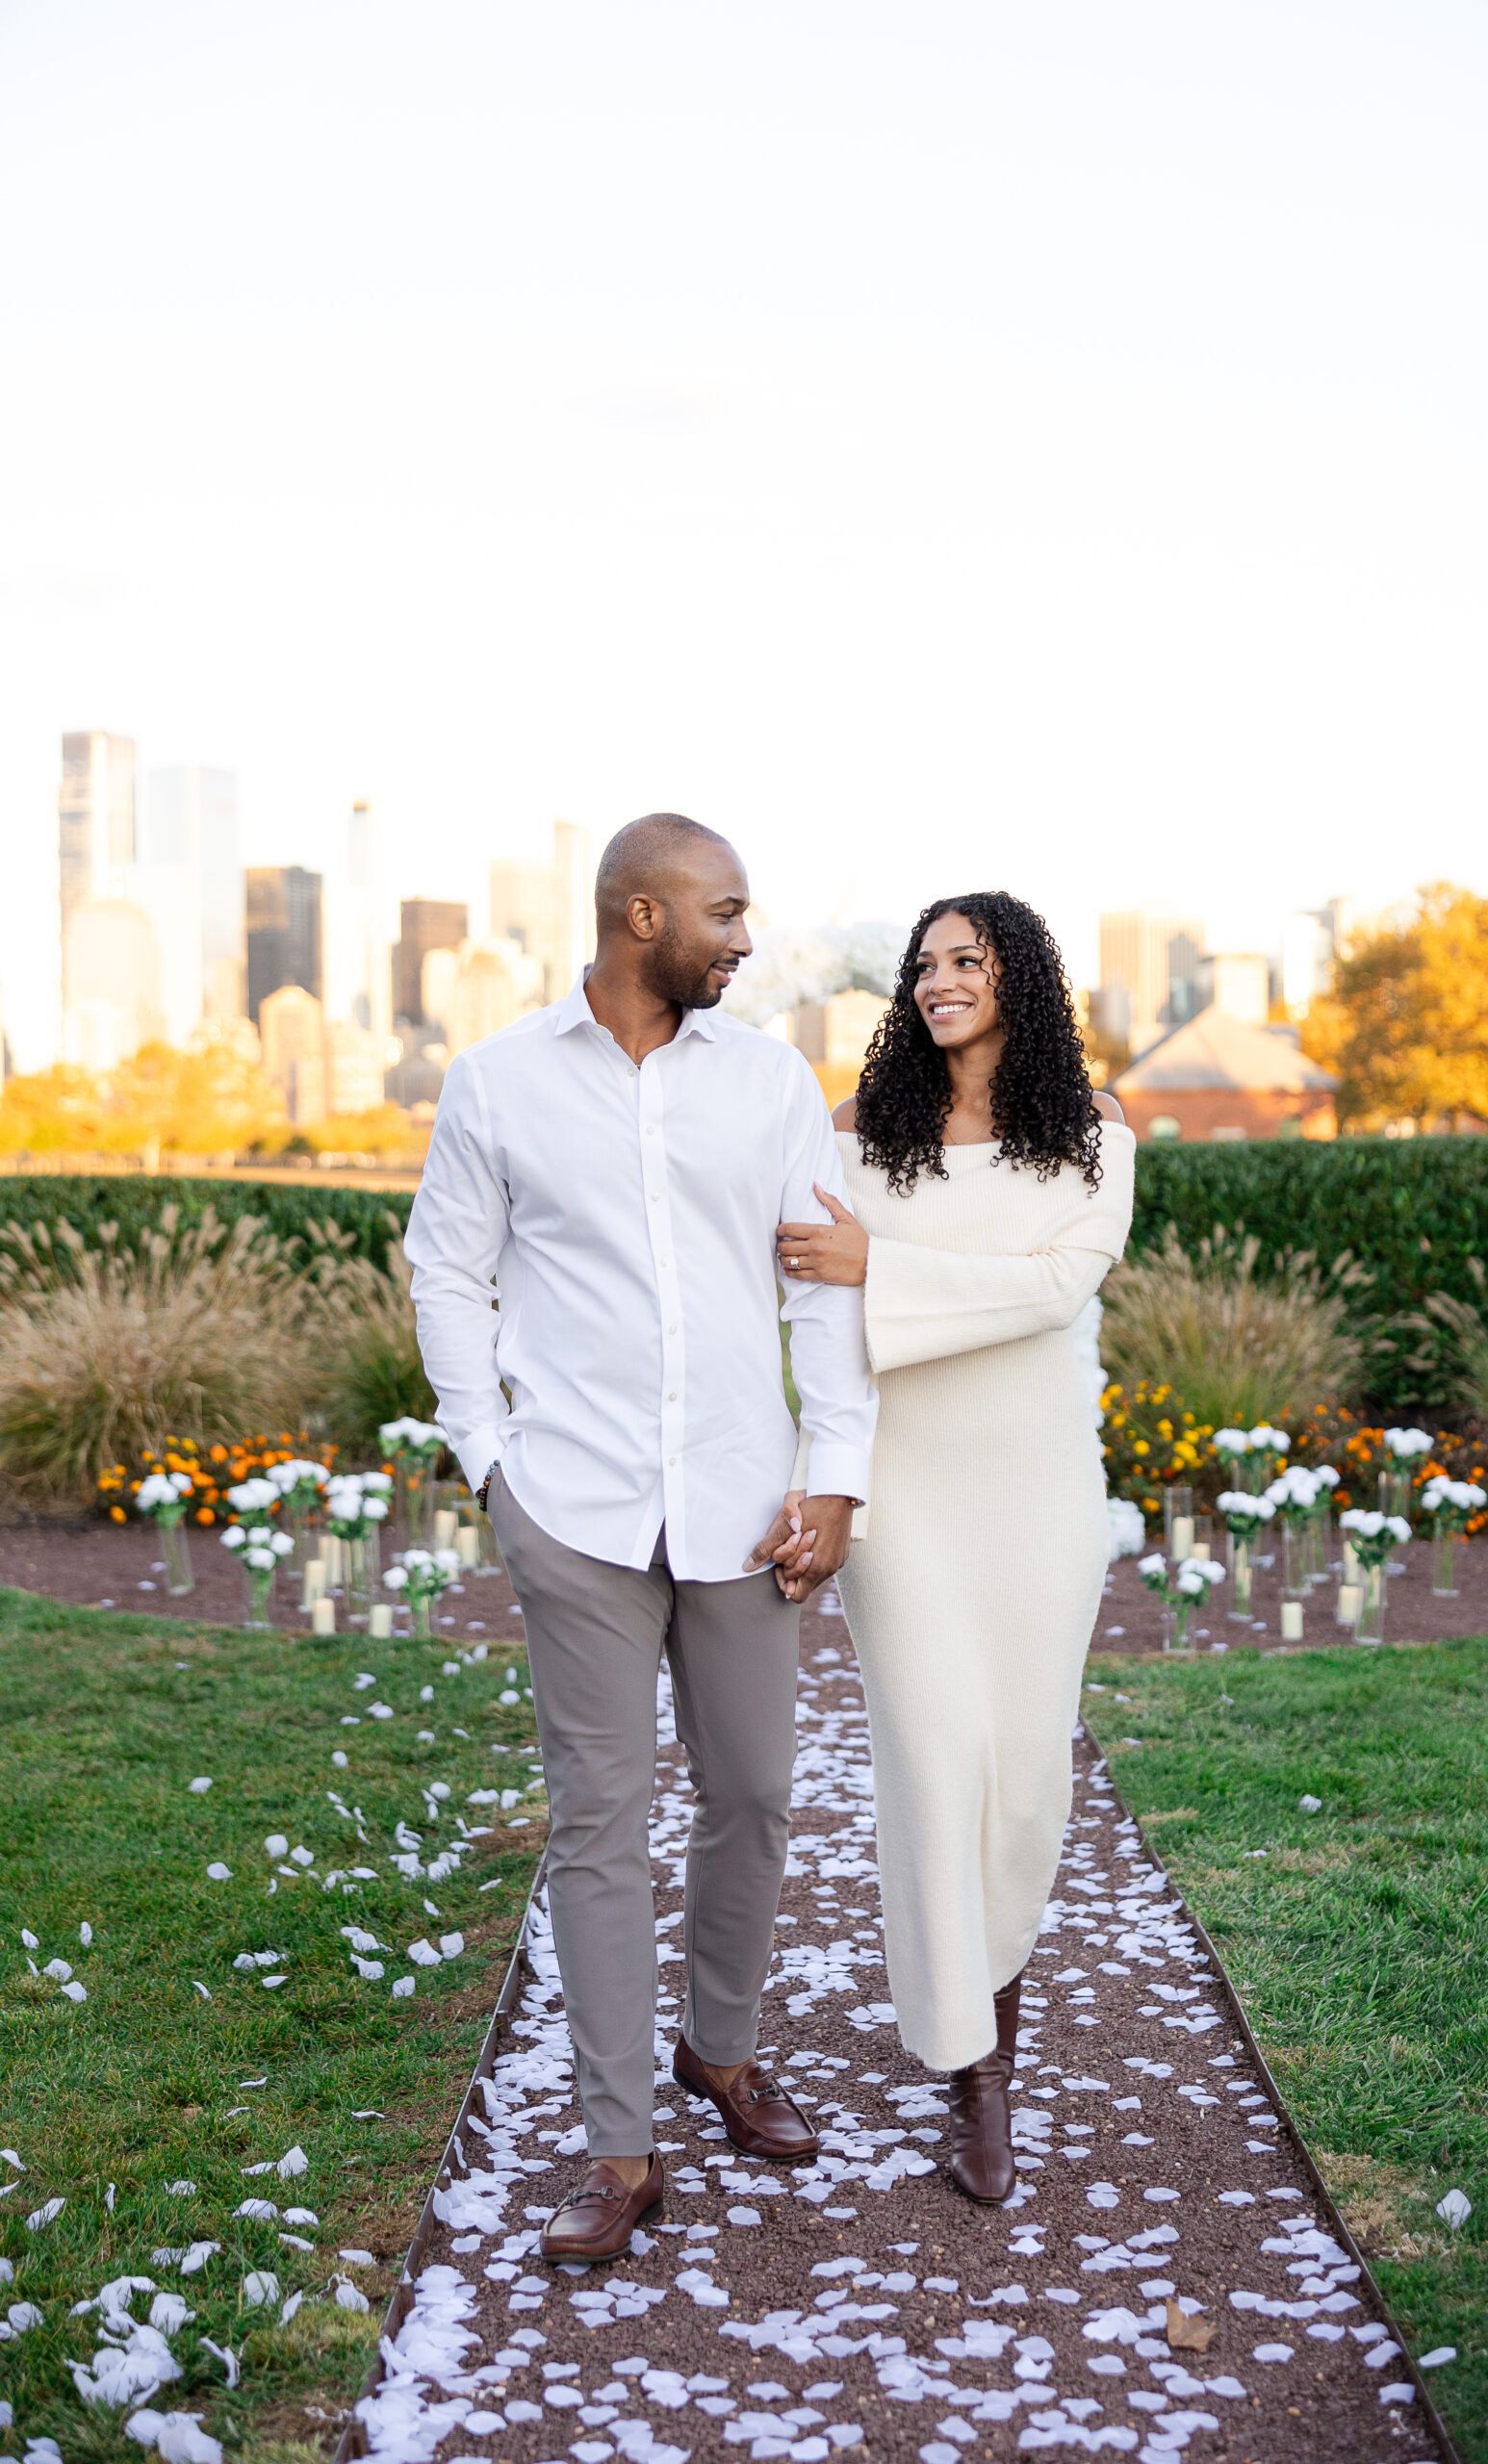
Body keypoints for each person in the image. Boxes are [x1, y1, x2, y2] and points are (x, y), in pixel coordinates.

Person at [406, 813, 877, 2261]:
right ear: (637, 916)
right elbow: (446, 1275)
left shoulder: (774, 1082)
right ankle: (620, 2151)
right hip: (578, 1512)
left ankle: (719, 2051)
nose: (745, 939)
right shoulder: (495, 1085)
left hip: (744, 1507)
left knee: (755, 1796)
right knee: (599, 1830)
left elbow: (819, 1289)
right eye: (723, 913)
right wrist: (496, 1469)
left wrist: (838, 1480)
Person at [772, 891, 1135, 2203]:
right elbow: (811, 1287)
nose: (939, 981)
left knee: (1026, 1780)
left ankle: (990, 2007)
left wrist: (886, 1269)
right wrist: (828, 1469)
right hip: (904, 1497)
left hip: (1041, 1496)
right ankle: (976, 2071)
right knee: (935, 1763)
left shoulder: (1097, 1143)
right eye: (925, 964)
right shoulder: (858, 1137)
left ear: (1022, 980)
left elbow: (1056, 1290)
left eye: (968, 960)